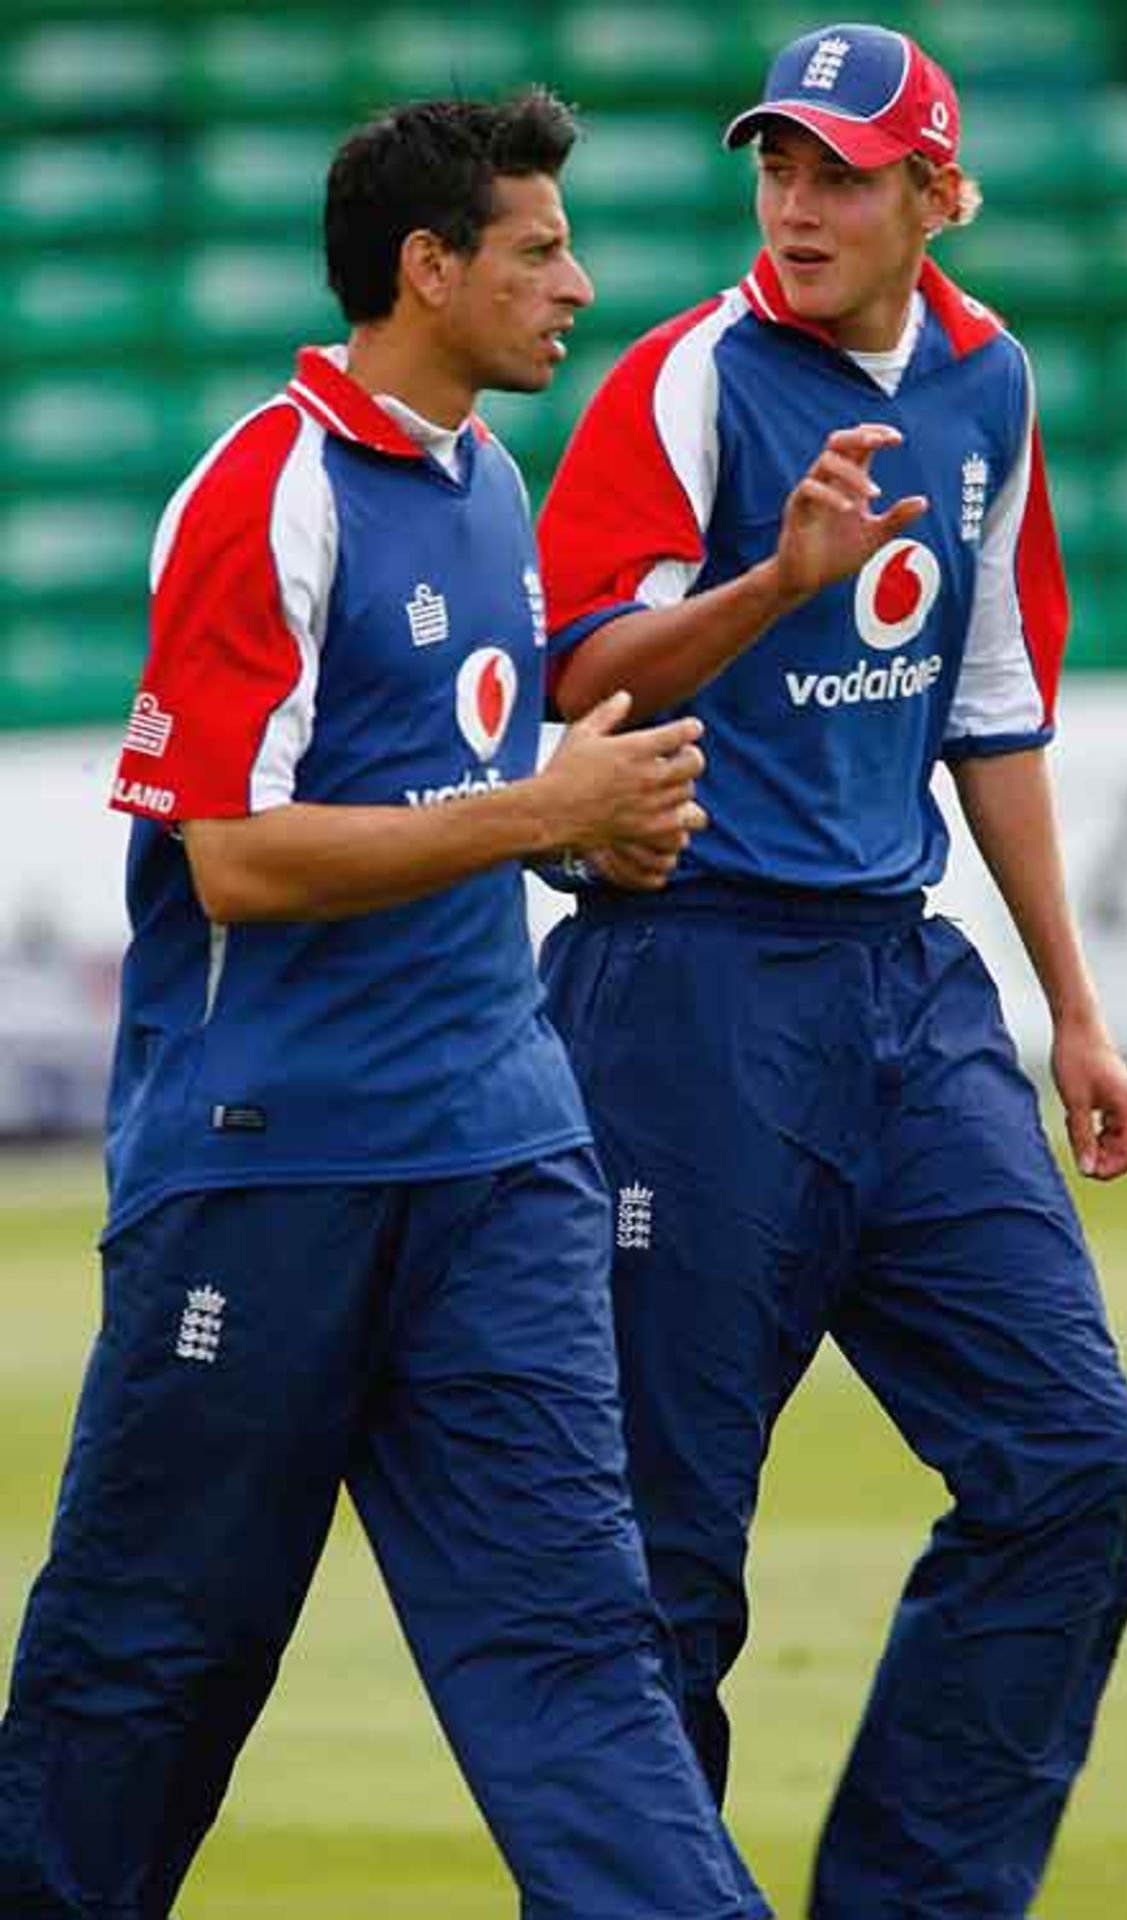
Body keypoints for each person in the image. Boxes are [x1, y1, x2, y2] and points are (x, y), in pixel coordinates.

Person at [0, 92, 772, 1920]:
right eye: (536, 249)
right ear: (426, 270)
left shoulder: (492, 483)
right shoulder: (264, 489)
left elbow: (458, 790)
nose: (578, 281)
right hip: (268, 1176)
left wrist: (588, 843)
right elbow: (235, 861)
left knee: (591, 1661)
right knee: (140, 1683)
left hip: (502, 1158)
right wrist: (541, 813)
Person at [537, 24, 1127, 1920]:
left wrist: (1071, 1006)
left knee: (1076, 1474)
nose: (798, 206)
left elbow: (991, 707)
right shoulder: (688, 382)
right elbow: (582, 686)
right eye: (778, 168)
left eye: (844, 175)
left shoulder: (993, 379)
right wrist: (779, 581)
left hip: (909, 984)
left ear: (932, 197)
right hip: (689, 989)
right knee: (661, 1563)